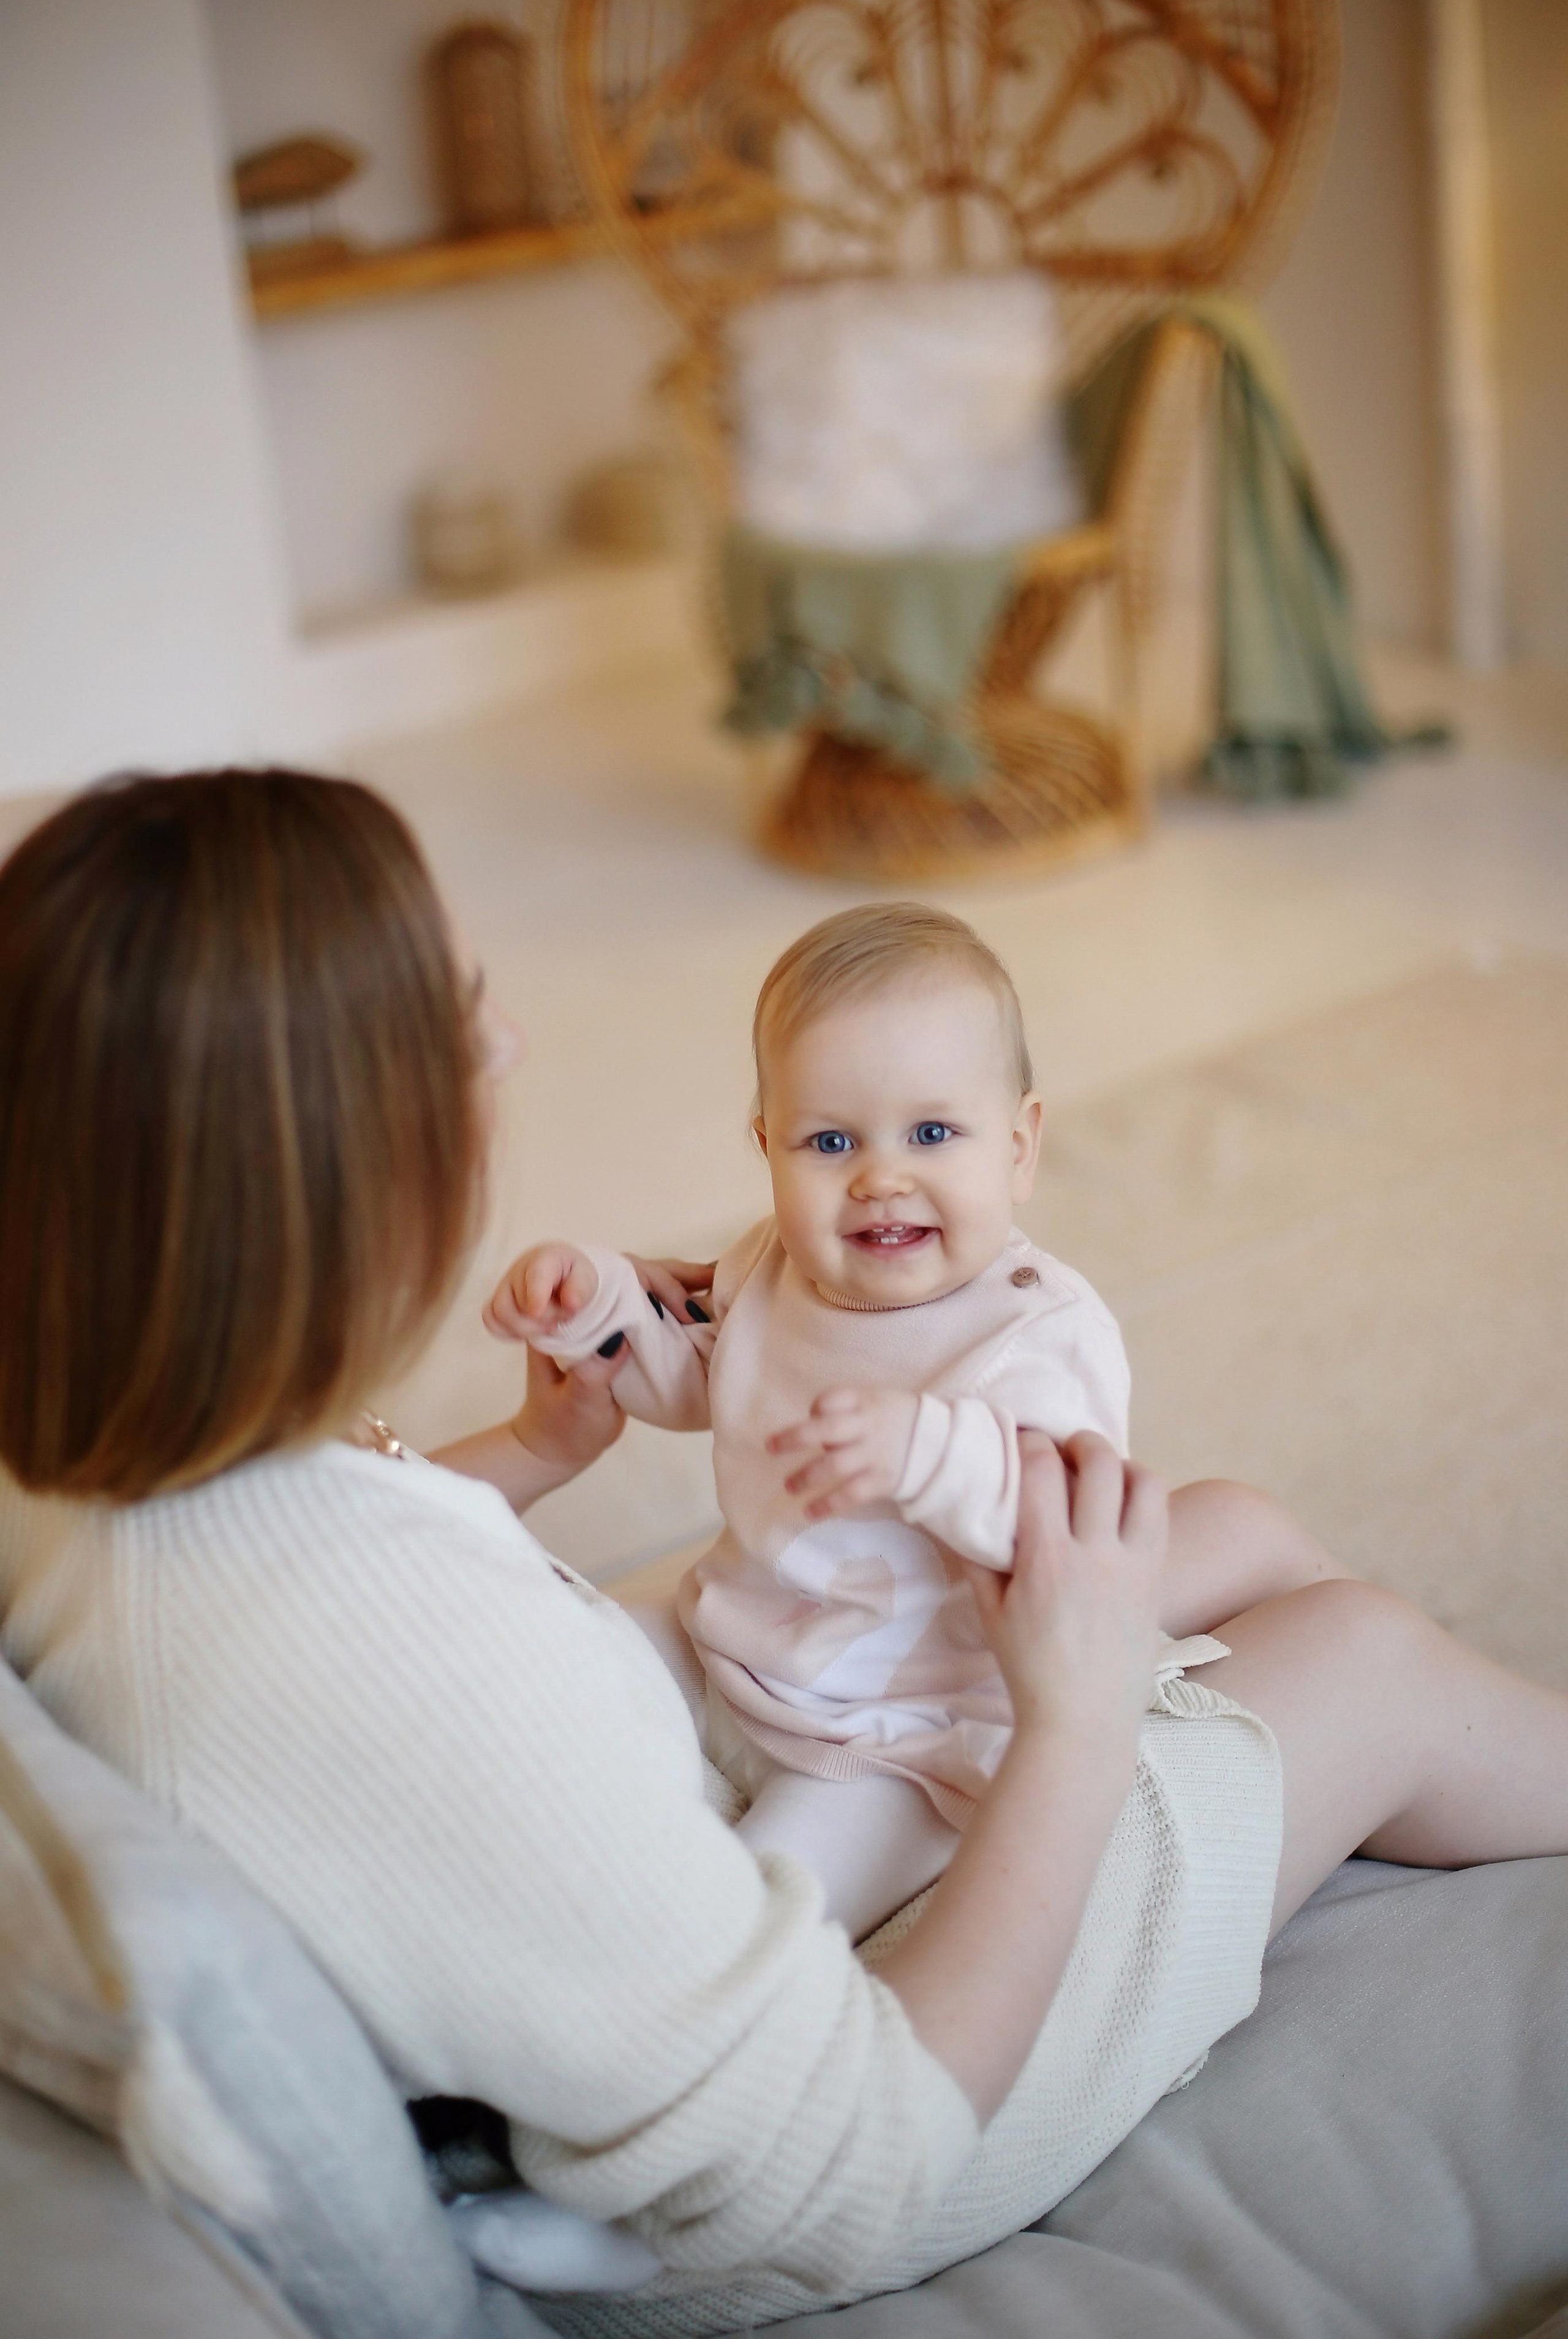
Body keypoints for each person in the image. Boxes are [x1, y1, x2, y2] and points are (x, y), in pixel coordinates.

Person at [1, 769, 1566, 2339]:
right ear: (334, 1158)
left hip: (854, 1674)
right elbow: (834, 2160)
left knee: (1238, 1530)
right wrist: (1082, 1722)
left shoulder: (101, 1472)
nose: (511, 1043)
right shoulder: (415, 1686)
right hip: (829, 2135)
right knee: (1357, 1652)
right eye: (460, 1015)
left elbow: (434, 1492)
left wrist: (540, 1448)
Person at [487, 904, 1340, 1940]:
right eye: (830, 1140)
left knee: (746, 1920)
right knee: (543, 1662)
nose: (880, 1177)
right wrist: (604, 1313)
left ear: (1021, 1147)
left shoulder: (1038, 1335)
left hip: (906, 1729)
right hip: (743, 1639)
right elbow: (705, 1383)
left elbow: (1059, 1527)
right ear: (768, 1148)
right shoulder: (774, 1263)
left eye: (933, 1133)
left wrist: (924, 1449)